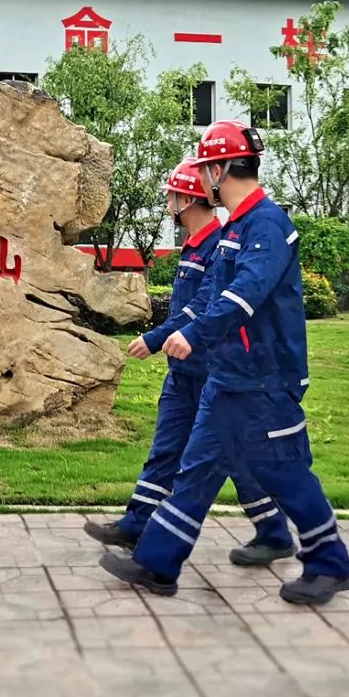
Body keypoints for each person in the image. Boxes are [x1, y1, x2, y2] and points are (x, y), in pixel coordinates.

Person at [99, 120, 349, 607]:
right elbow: (210, 296)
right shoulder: (237, 227)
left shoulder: (266, 224)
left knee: (284, 471)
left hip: (265, 378)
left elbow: (244, 295)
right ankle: (157, 563)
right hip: (229, 375)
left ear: (218, 170)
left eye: (204, 170)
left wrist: (193, 335)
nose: (201, 180)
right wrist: (174, 333)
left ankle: (331, 564)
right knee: (195, 469)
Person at [84, 161, 293, 565]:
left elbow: (202, 307)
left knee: (229, 459)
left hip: (210, 372)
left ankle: (272, 531)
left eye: (170, 195)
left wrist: (155, 339)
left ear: (185, 199)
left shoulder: (220, 245)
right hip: (184, 373)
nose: (167, 202)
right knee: (167, 449)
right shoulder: (195, 246)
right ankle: (137, 523)